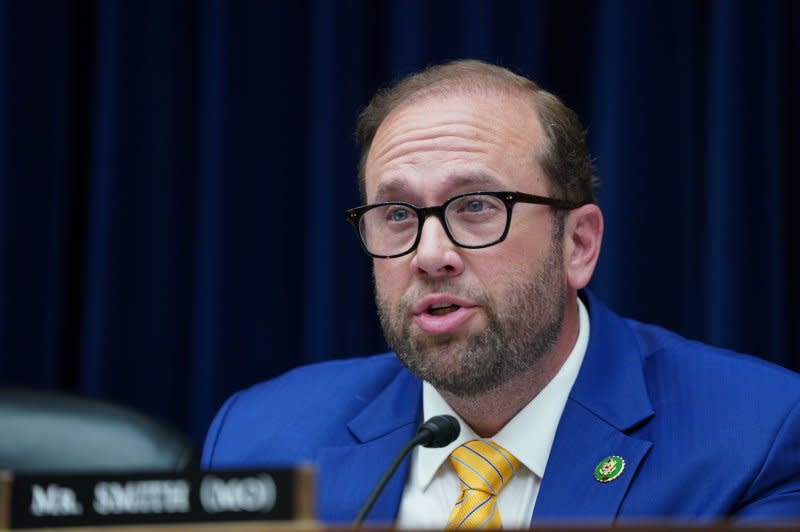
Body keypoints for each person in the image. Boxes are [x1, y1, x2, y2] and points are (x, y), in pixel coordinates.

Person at [202, 60, 800, 526]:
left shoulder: (756, 441)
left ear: (579, 244)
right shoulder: (261, 439)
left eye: (477, 207)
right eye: (397, 214)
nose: (429, 254)